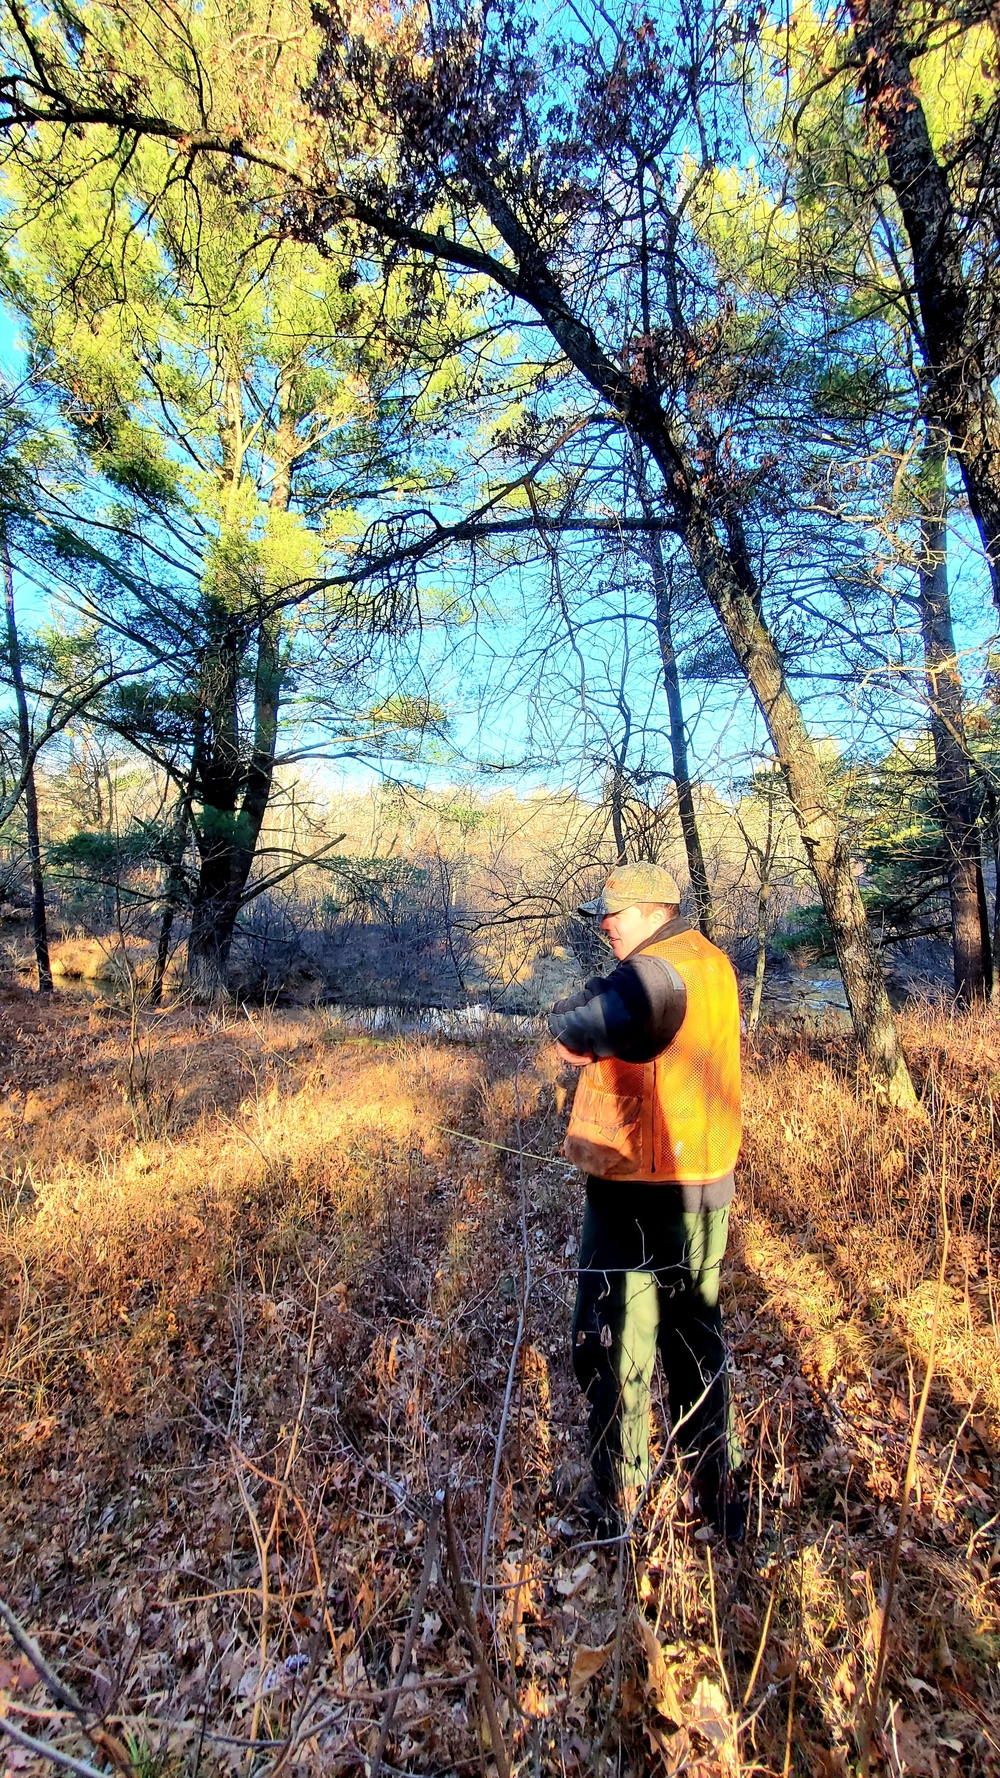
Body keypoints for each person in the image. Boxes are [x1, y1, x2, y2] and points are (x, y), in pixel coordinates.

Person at [548, 862, 744, 1542]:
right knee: (697, 1343)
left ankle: (616, 1504)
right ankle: (719, 1498)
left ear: (653, 911)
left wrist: (575, 1016)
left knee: (612, 1347)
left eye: (613, 913)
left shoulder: (653, 974)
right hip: (702, 1189)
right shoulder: (709, 960)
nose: (603, 924)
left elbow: (575, 1026)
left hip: (639, 1198)